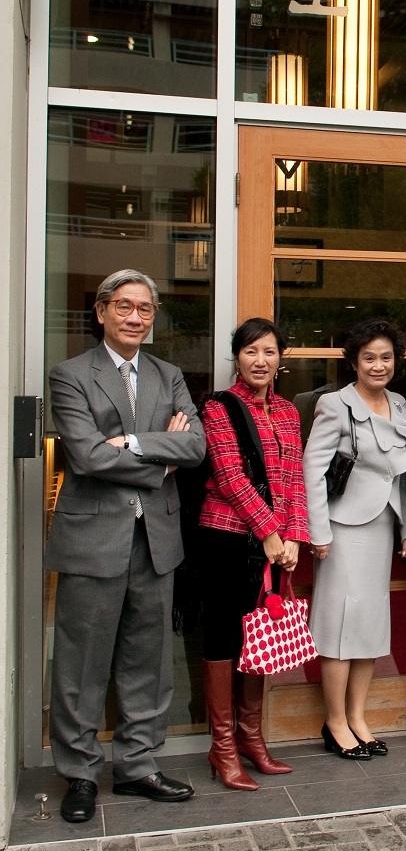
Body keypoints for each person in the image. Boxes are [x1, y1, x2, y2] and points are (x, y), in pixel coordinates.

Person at [44, 269, 206, 823]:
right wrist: (160, 460)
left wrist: (134, 441)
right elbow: (87, 455)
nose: (135, 317)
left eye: (145, 309)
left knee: (149, 659)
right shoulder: (70, 375)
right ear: (101, 312)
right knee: (81, 661)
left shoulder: (168, 374)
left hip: (155, 538)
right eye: (124, 306)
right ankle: (80, 772)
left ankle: (137, 765)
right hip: (93, 538)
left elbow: (196, 446)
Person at [197, 318, 308, 790]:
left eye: (269, 352)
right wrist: (268, 532)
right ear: (237, 357)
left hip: (276, 543)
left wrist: (295, 536)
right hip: (225, 537)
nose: (260, 361)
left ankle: (251, 738)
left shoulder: (288, 411)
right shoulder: (218, 407)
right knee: (224, 637)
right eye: (250, 352)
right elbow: (229, 476)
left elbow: (295, 477)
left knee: (257, 636)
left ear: (280, 359)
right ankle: (222, 747)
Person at [303, 319, 406, 761]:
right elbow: (312, 470)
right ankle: (334, 721)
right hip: (342, 530)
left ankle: (358, 717)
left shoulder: (399, 403)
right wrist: (318, 531)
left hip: (382, 526)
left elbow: (401, 476)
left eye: (386, 357)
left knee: (369, 626)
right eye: (369, 357)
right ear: (354, 361)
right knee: (339, 627)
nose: (378, 365)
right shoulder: (335, 403)